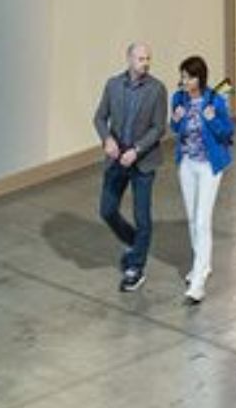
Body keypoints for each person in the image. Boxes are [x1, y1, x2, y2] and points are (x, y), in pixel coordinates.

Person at [93, 42, 168, 292]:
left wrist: (136, 150)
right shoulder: (113, 85)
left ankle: (135, 267)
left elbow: (159, 128)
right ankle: (135, 243)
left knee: (142, 216)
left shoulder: (157, 90)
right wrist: (108, 139)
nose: (145, 63)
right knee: (107, 209)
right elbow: (99, 117)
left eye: (148, 59)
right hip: (116, 158)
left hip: (142, 161)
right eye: (140, 59)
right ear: (128, 59)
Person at [169, 54, 234, 304]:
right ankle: (202, 263)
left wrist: (212, 119)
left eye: (188, 77)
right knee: (191, 217)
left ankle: (198, 283)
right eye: (182, 77)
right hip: (187, 164)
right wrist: (175, 121)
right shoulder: (179, 99)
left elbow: (227, 132)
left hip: (209, 166)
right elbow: (176, 129)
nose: (184, 81)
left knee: (202, 220)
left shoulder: (215, 101)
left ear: (199, 78)